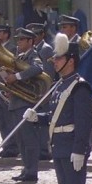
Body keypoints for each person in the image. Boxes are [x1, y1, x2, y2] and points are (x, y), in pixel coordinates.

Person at [24, 33, 92, 184]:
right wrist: (37, 118)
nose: (54, 61)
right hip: (59, 145)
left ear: (70, 61)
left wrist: (79, 149)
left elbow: (83, 122)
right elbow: (55, 117)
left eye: (59, 58)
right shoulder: (60, 86)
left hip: (72, 146)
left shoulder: (79, 87)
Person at [6, 28, 44, 182]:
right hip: (16, 102)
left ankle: (32, 170)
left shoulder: (33, 55)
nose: (19, 42)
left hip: (26, 103)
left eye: (22, 39)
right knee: (21, 139)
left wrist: (16, 76)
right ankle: (26, 168)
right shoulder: (19, 57)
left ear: (30, 41)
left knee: (29, 139)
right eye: (18, 39)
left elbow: (37, 68)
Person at [0, 24, 20, 158]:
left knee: (9, 120)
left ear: (6, 34)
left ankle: (13, 147)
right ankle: (6, 145)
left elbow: (13, 68)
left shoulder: (12, 48)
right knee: (1, 121)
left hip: (7, 88)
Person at [27, 22, 55, 161]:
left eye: (37, 34)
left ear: (42, 34)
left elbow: (48, 74)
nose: (35, 37)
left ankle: (44, 149)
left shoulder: (46, 49)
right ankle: (38, 148)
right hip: (34, 90)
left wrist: (46, 92)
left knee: (43, 122)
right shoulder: (32, 50)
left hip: (43, 90)